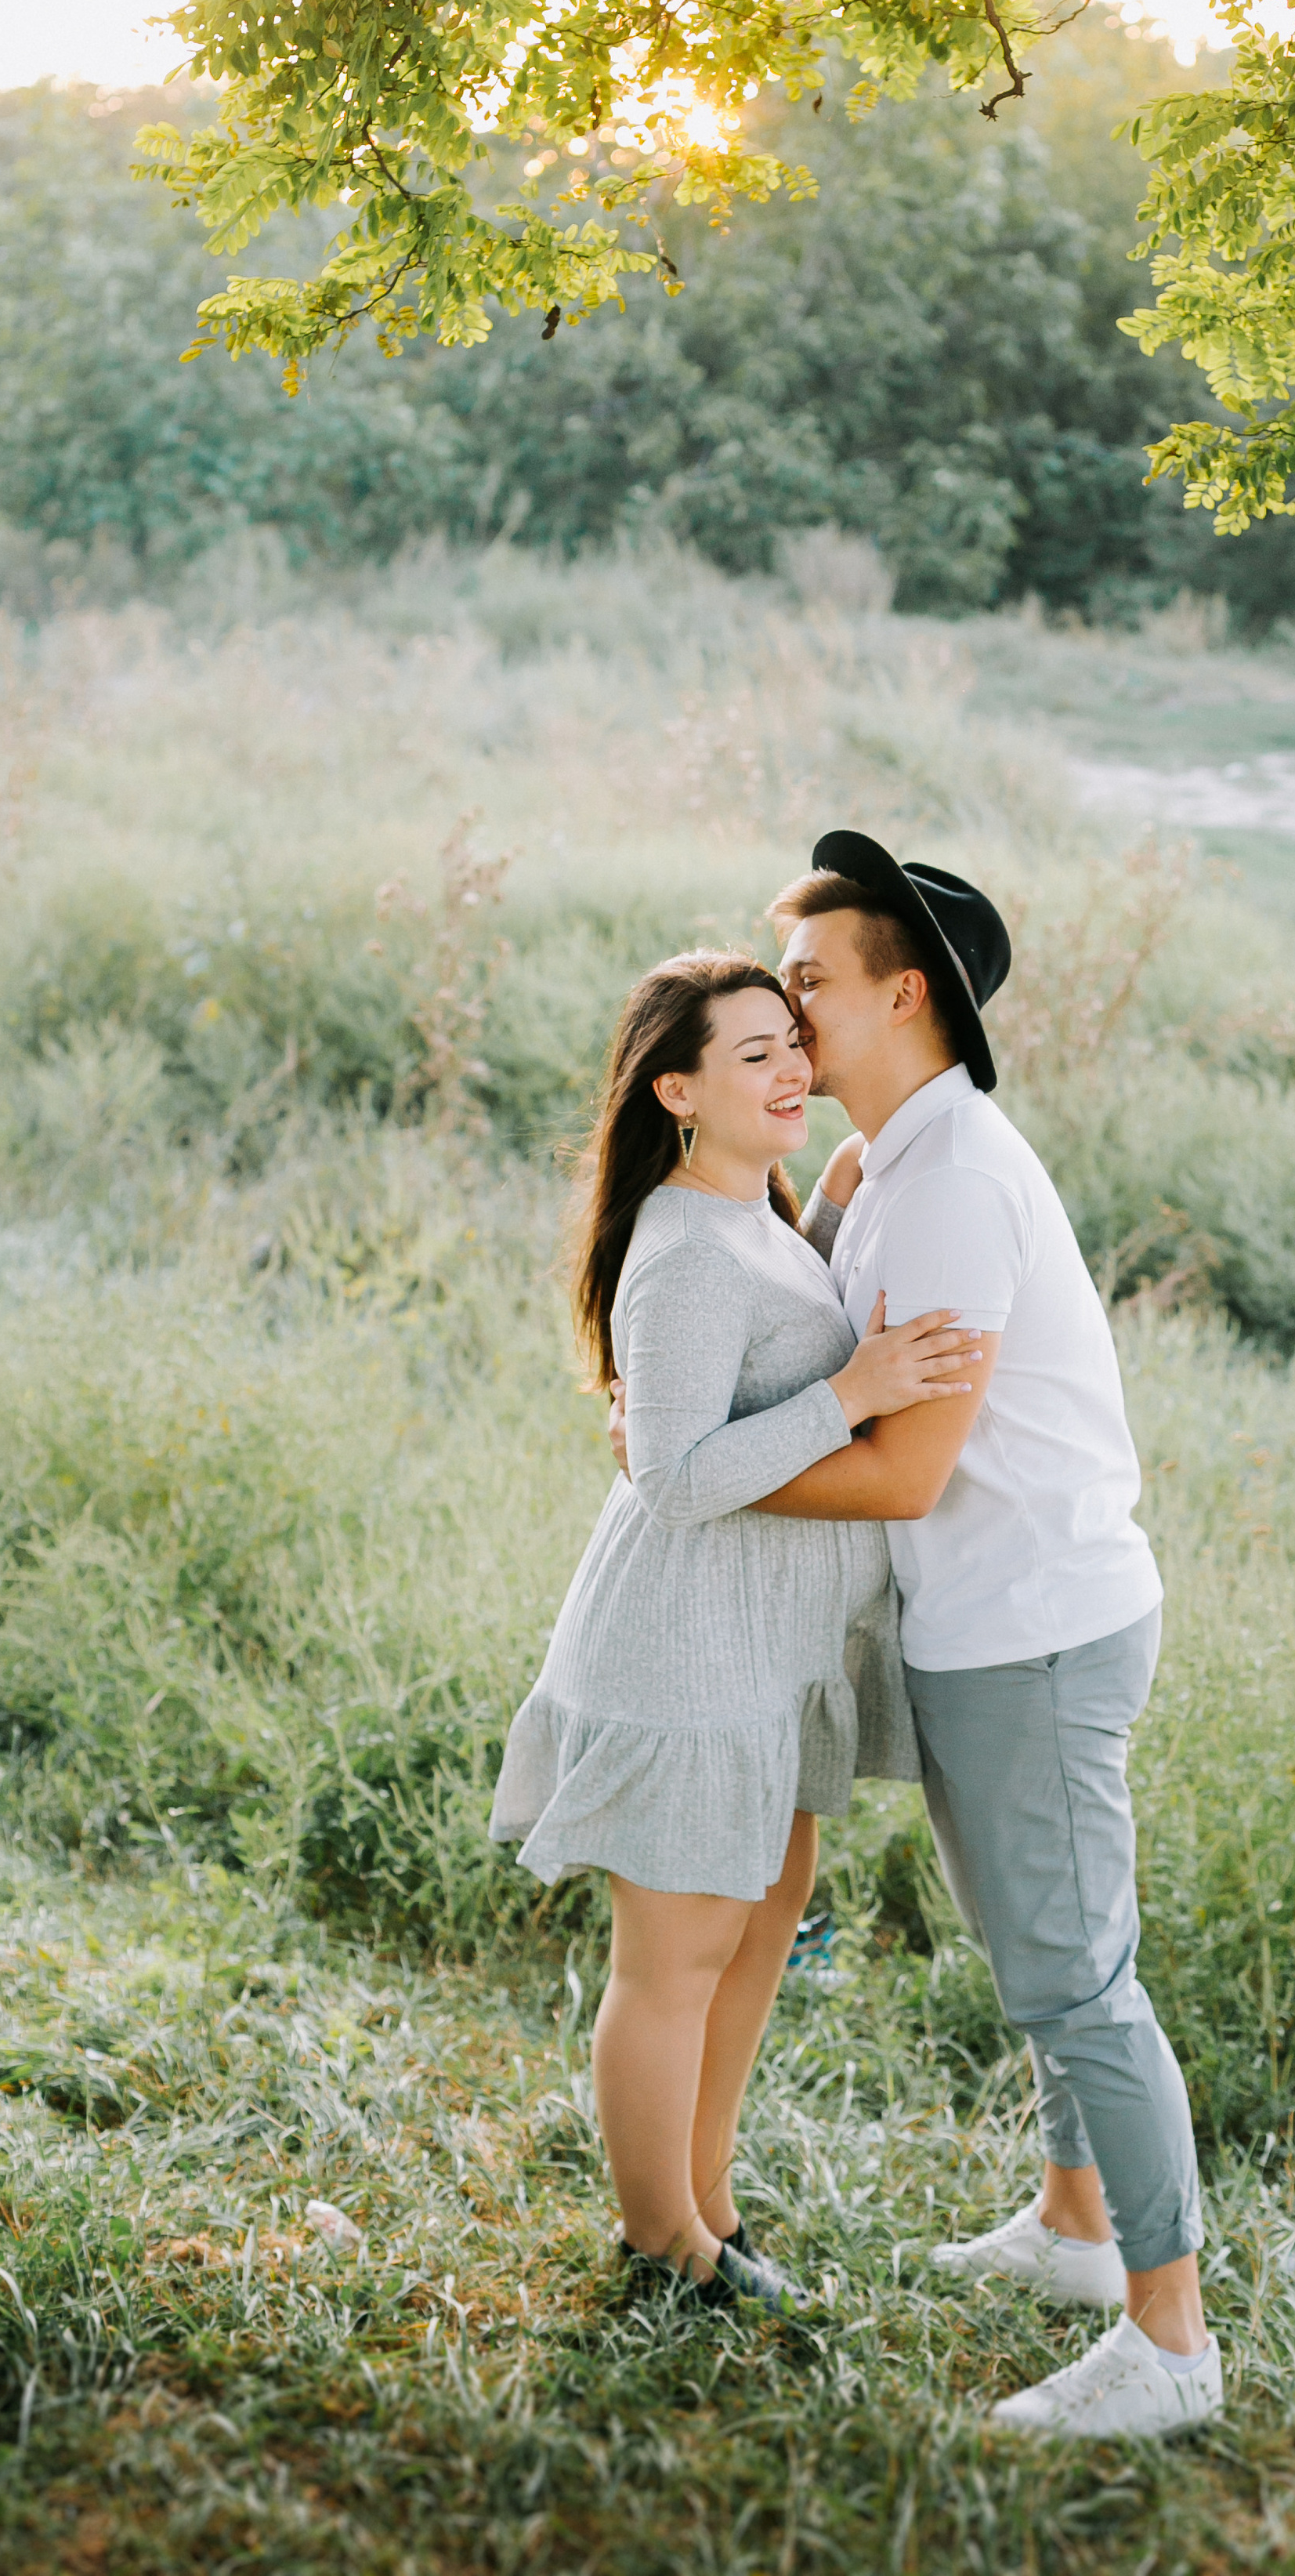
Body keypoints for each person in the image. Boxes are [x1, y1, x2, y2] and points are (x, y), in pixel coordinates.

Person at [757, 828, 1221, 2442]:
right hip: (995, 1618)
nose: (780, 1010)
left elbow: (905, 1467)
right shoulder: (899, 1164)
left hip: (1030, 1627)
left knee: (1078, 1981)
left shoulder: (949, 1186)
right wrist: (819, 1197)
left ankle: (1168, 2345)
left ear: (902, 997)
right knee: (1044, 1955)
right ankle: (1076, 2232)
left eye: (805, 985)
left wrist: (702, 1483)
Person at [489, 950, 978, 2312]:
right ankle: (662, 2254)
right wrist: (859, 1391)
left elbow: (768, 1332)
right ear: (678, 1090)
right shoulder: (683, 1246)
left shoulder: (750, 1213)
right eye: (752, 1053)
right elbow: (678, 1472)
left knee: (760, 1930)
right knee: (676, 1961)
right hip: (687, 1655)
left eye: (792, 1044)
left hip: (765, 1656)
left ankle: (706, 2203)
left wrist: (821, 1210)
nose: (791, 1070)